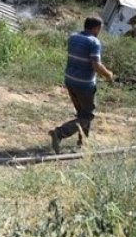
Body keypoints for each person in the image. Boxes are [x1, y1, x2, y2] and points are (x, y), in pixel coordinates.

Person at [49, 17, 114, 153]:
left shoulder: (73, 37)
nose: (99, 32)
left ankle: (82, 142)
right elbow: (96, 65)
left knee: (82, 113)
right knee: (88, 115)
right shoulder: (94, 42)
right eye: (99, 29)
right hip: (84, 84)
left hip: (70, 80)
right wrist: (108, 74)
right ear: (96, 28)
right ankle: (60, 133)